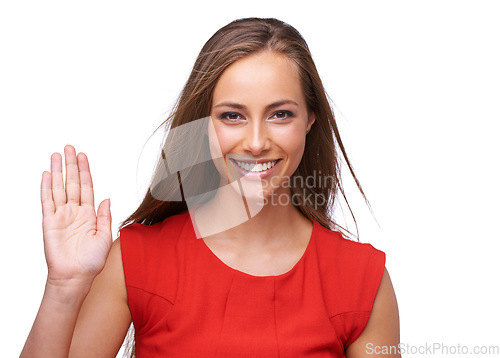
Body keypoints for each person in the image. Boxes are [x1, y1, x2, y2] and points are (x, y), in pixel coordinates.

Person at [21, 17, 400, 357]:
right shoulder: (135, 261)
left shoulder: (362, 280)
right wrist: (64, 288)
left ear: (310, 119)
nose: (255, 142)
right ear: (204, 124)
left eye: (280, 114)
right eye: (232, 116)